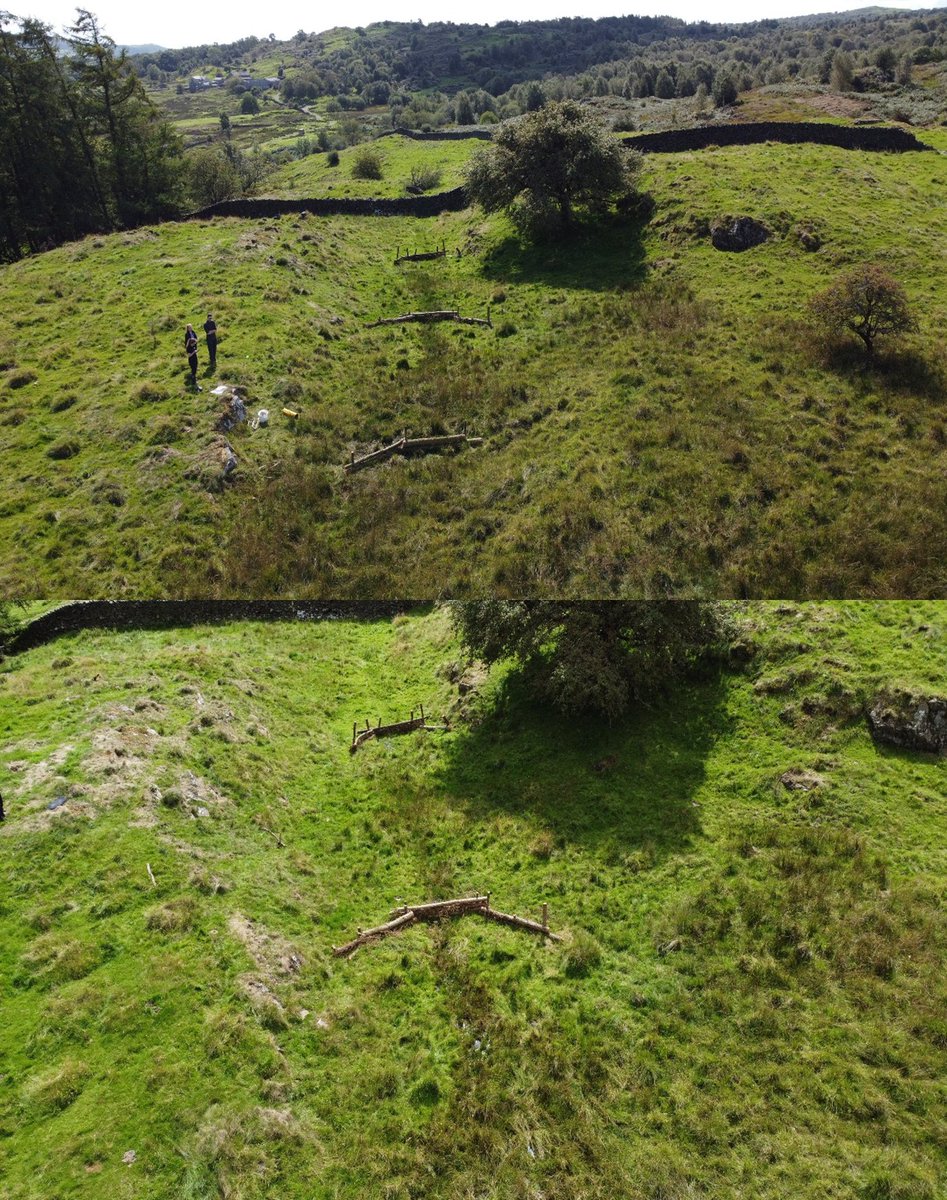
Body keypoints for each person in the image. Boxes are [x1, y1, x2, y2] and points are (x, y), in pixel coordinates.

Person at [184, 323, 201, 390]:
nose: (191, 328)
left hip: (193, 351)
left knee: (195, 364)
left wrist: (195, 349)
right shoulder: (187, 335)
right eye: (189, 327)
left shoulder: (193, 332)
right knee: (193, 366)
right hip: (191, 354)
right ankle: (193, 379)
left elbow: (195, 338)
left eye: (191, 327)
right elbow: (189, 354)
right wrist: (194, 351)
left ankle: (194, 376)